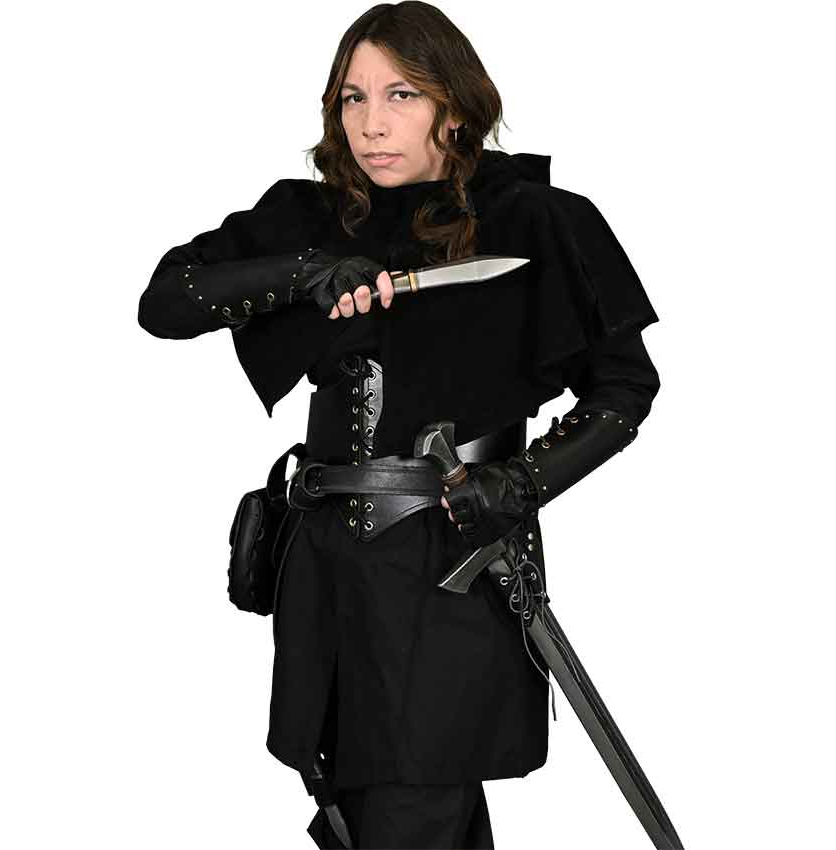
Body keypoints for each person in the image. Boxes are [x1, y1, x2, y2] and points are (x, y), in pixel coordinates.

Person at [137, 3, 661, 847]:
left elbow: (624, 387)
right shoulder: (310, 217)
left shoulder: (535, 220)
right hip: (320, 563)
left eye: (401, 95)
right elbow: (166, 301)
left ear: (454, 106)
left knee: (414, 802)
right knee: (348, 805)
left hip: (449, 559)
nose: (371, 125)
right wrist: (307, 274)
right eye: (353, 98)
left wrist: (521, 482)